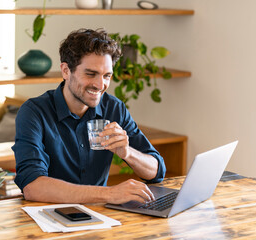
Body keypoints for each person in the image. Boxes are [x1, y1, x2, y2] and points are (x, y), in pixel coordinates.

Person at [12, 28, 166, 205]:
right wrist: (109, 194)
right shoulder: (34, 112)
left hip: (100, 217)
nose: (101, 85)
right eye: (91, 74)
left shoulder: (114, 108)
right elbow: (33, 186)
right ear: (65, 71)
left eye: (107, 76)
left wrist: (127, 152)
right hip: (48, 219)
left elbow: (157, 171)